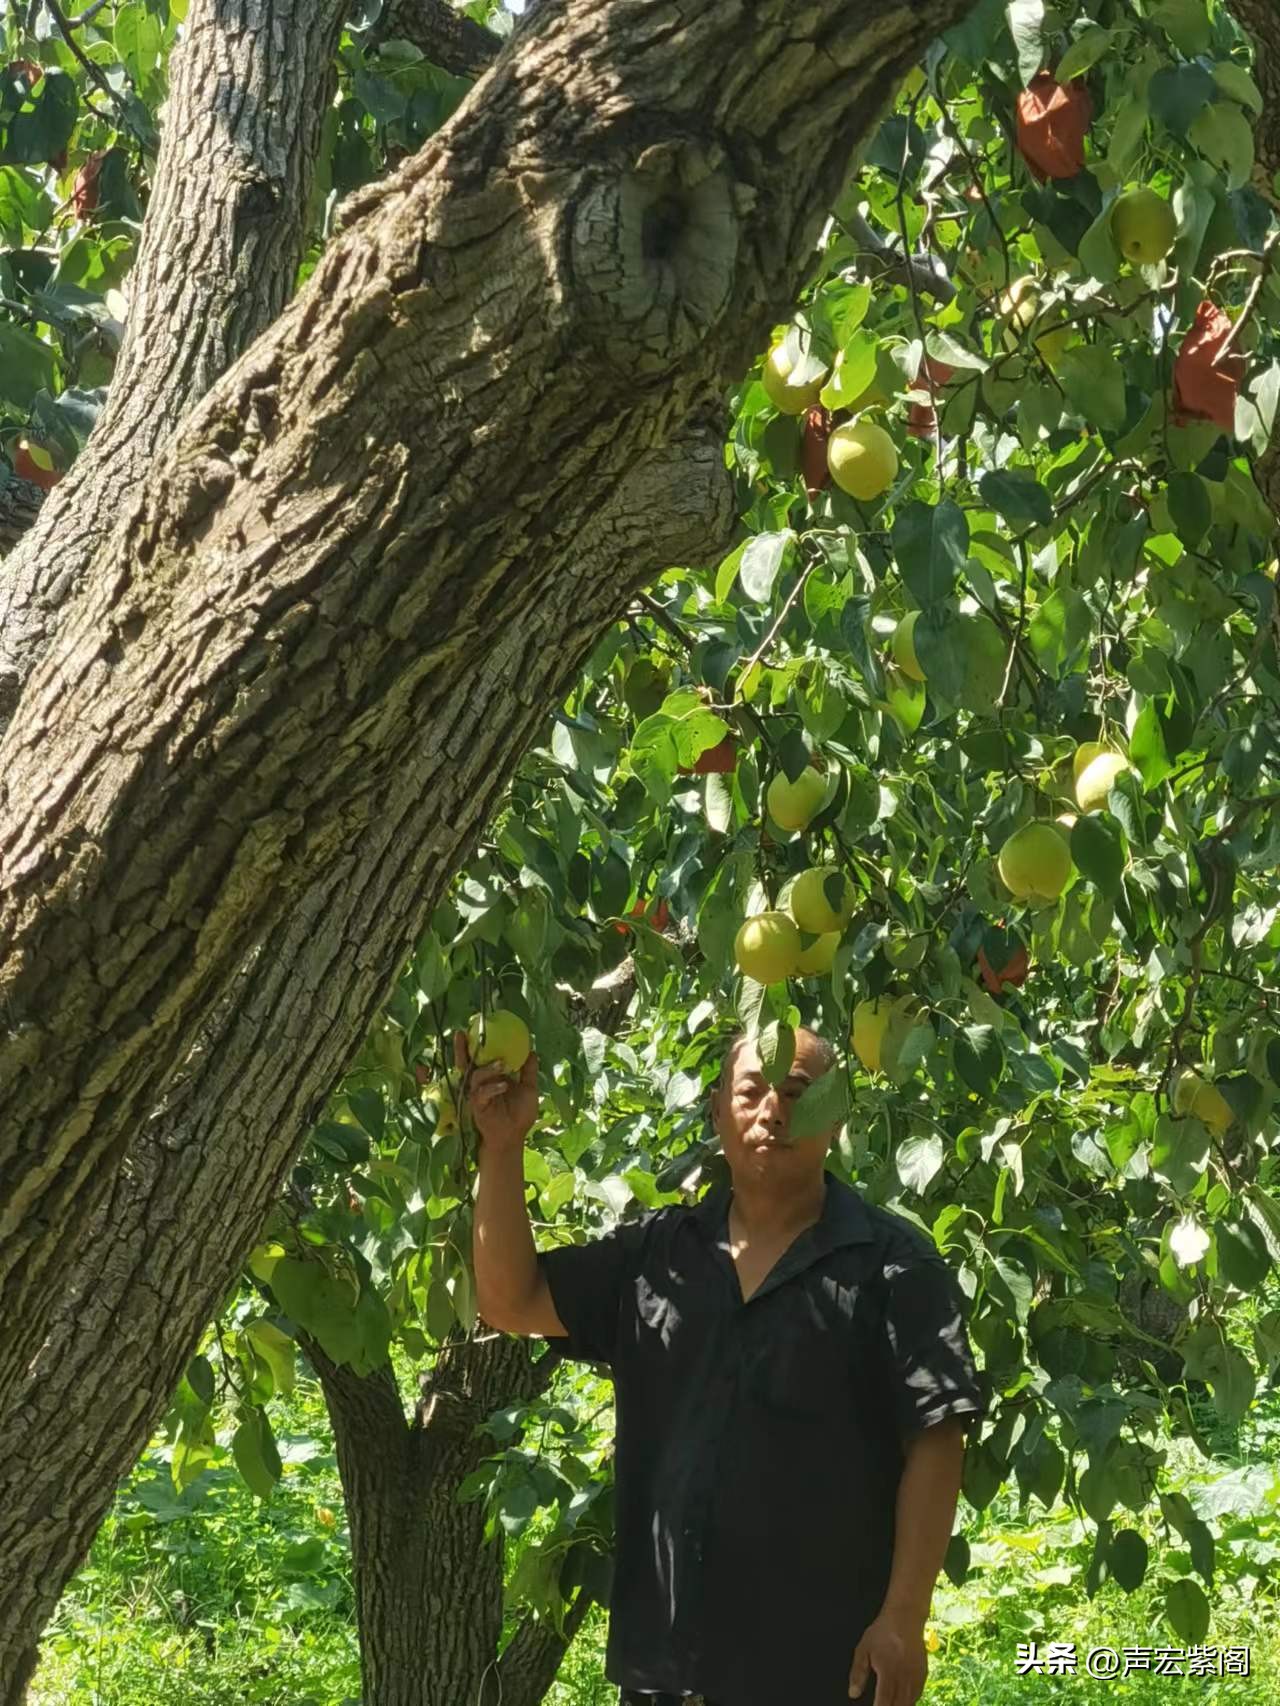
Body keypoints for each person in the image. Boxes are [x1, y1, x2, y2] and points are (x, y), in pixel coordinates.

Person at [465, 1022, 987, 1706]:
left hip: (818, 1673)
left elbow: (936, 1438)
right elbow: (511, 1301)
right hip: (666, 1676)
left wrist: (904, 1616)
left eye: (798, 1092)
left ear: (836, 1116)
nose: (773, 1109)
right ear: (718, 1112)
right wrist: (503, 1148)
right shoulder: (658, 1258)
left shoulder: (894, 1267)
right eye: (752, 1091)